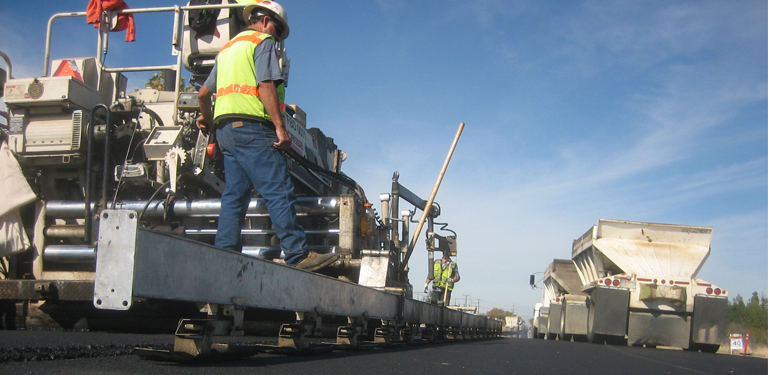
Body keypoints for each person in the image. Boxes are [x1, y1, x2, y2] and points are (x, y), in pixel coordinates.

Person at [196, 0, 337, 272]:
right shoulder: (262, 42)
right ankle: (298, 254)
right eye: (278, 32)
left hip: (226, 132)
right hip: (252, 128)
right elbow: (265, 85)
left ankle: (225, 254)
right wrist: (280, 128)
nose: (277, 39)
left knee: (235, 195)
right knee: (278, 189)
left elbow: (203, 93)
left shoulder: (227, 49)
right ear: (267, 22)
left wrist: (209, 118)